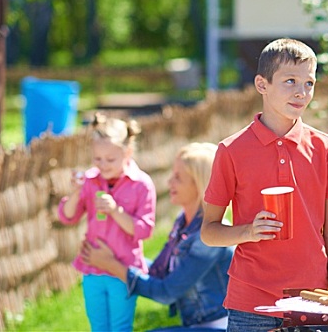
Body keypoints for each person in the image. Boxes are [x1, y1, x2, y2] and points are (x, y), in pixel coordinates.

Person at [200, 38, 328, 331]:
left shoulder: (327, 148)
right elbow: (208, 231)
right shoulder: (231, 151)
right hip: (251, 304)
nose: (301, 92)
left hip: (313, 300)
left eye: (309, 83)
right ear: (262, 84)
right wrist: (248, 231)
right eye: (290, 81)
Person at [81, 142, 234, 332]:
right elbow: (157, 272)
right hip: (197, 325)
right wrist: (119, 256)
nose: (170, 182)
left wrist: (113, 265)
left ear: (201, 185)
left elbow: (166, 292)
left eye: (178, 177)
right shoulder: (183, 224)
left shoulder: (210, 238)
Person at [58, 113, 157, 331]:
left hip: (123, 271)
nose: (102, 165)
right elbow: (67, 216)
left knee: (120, 327)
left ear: (127, 153)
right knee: (99, 327)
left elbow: (144, 230)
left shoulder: (141, 185)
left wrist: (115, 211)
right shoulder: (91, 180)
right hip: (92, 269)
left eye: (110, 159)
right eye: (97, 159)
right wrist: (76, 192)